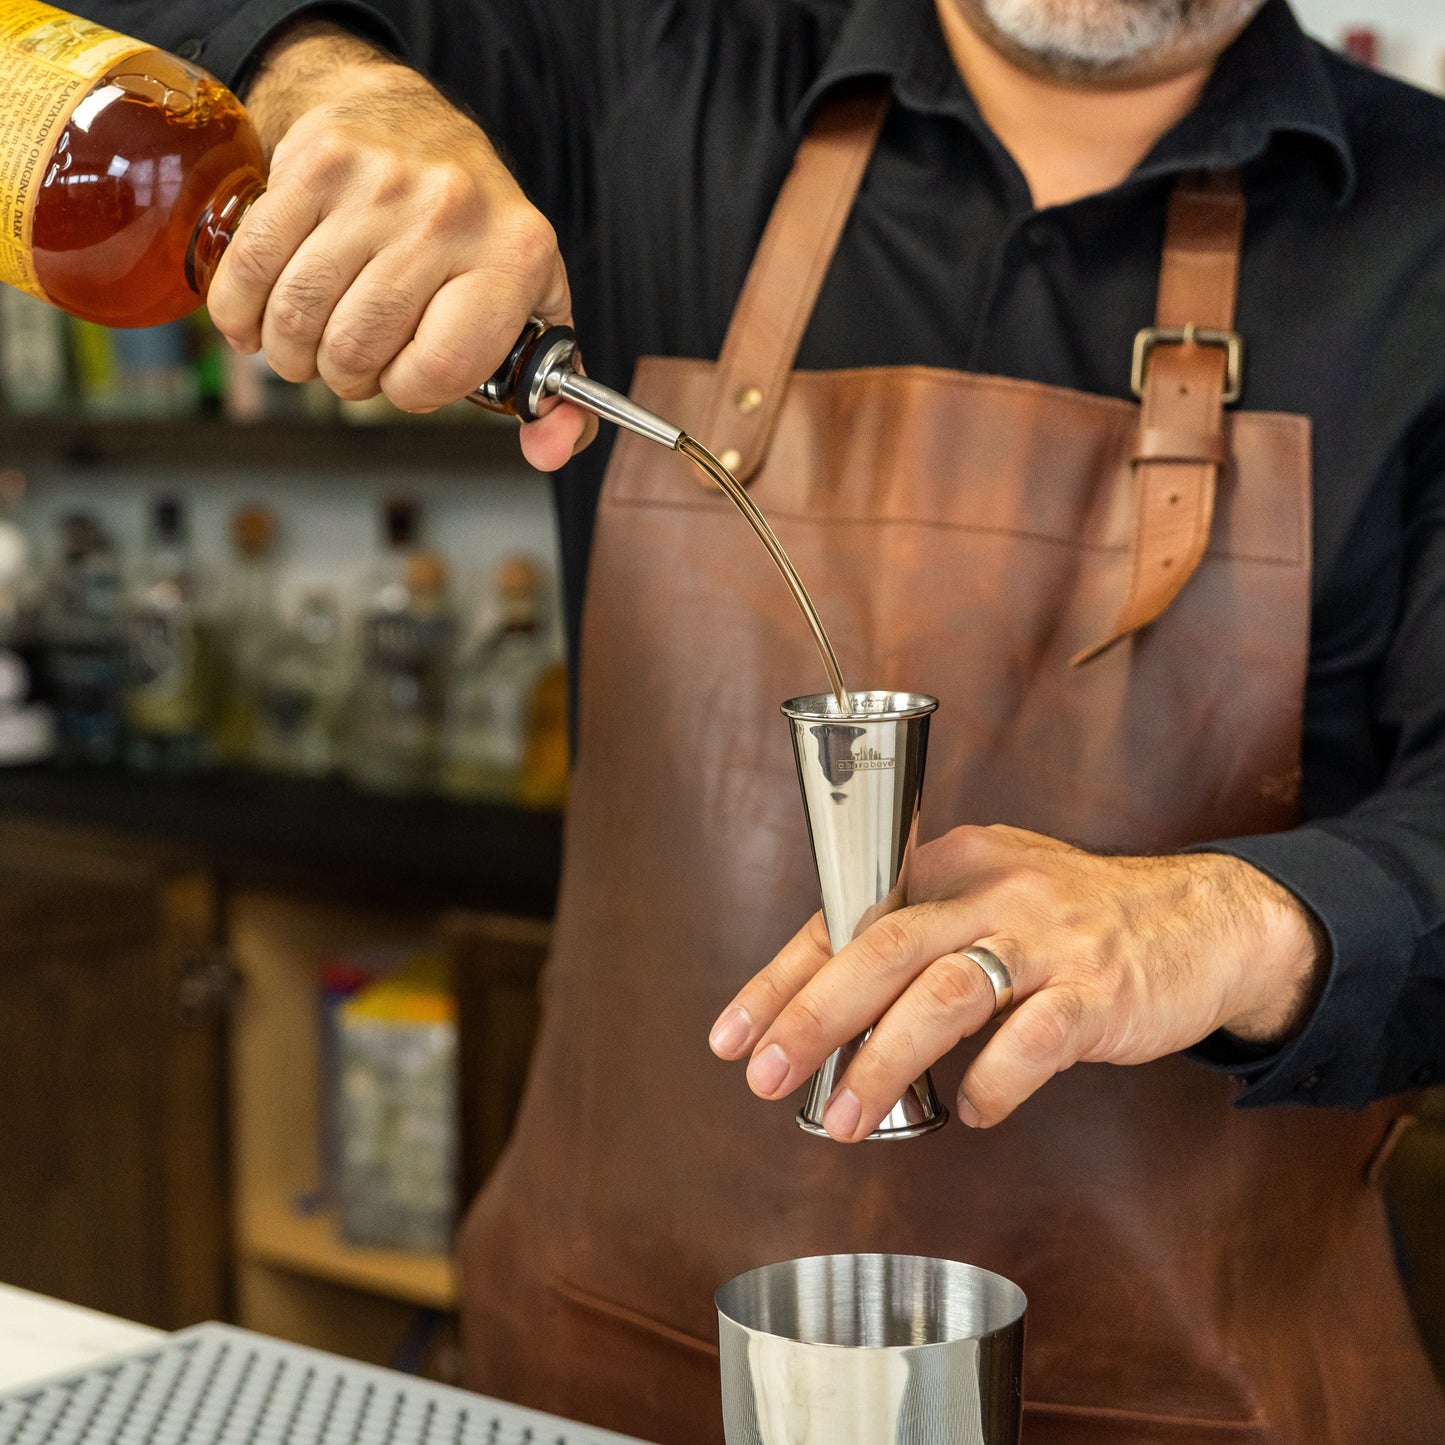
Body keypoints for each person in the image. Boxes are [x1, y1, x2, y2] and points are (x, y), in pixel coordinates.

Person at [84, 0, 1445, 1440]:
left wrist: (1224, 922)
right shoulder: (653, 62)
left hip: (1206, 1402)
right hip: (600, 1370)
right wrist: (327, 85)